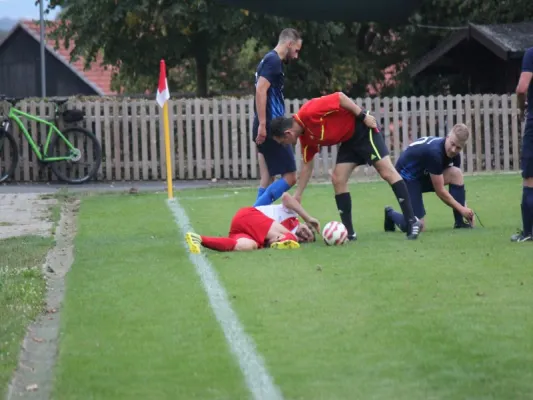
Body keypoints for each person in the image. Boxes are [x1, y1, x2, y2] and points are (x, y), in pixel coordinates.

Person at [268, 91, 422, 240]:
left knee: (387, 172)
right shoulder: (306, 139)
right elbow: (307, 166)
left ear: (288, 133)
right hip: (349, 141)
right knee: (338, 178)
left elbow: (340, 97)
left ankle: (411, 220)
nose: (284, 145)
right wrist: (298, 195)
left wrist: (363, 116)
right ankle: (349, 233)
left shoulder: (308, 112)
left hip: (362, 129)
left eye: (282, 142)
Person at [383, 125, 474, 233]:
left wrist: (466, 211)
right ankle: (390, 214)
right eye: (452, 144)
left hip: (422, 174)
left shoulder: (454, 155)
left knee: (456, 173)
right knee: (418, 226)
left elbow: (458, 188)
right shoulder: (435, 153)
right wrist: (462, 209)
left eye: (458, 147)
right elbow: (440, 191)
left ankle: (460, 223)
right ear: (448, 137)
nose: (454, 149)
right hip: (405, 177)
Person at [252, 28, 303, 207]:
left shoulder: (268, 59)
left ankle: (253, 220)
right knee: (290, 177)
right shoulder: (274, 61)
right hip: (273, 128)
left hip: (266, 125)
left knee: (267, 178)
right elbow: (260, 90)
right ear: (289, 44)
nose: (296, 56)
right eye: (296, 50)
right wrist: (264, 125)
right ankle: (253, 214)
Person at [185, 192, 319, 254]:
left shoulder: (282, 239)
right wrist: (308, 218)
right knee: (287, 235)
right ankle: (290, 238)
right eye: (308, 231)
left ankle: (199, 239)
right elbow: (286, 196)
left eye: (307, 239)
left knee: (247, 246)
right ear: (303, 224)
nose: (305, 236)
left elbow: (273, 242)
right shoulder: (292, 215)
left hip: (245, 231)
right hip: (248, 216)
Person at [511, 47, 533, 242]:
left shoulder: (531, 54)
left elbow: (521, 89)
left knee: (530, 178)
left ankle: (528, 233)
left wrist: (521, 108)